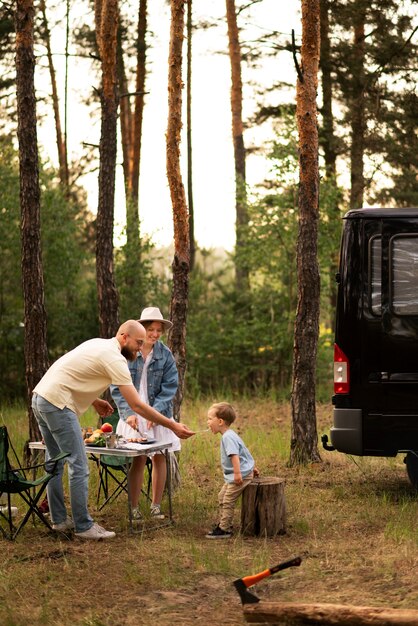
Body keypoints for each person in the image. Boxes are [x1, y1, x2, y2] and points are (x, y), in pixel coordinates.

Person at [31, 320, 194, 540]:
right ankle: (83, 526)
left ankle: (59, 521)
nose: (139, 347)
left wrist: (94, 400)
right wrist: (172, 424)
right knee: (78, 465)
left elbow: (70, 374)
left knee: (55, 463)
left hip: (41, 398)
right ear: (124, 336)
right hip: (59, 405)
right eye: (138, 342)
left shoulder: (97, 343)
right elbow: (136, 406)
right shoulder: (116, 359)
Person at [111, 307, 180, 520]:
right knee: (139, 460)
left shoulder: (164, 354)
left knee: (160, 457)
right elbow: (116, 386)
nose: (155, 334)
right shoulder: (128, 350)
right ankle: (133, 508)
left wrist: (155, 413)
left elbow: (170, 386)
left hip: (157, 412)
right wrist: (128, 412)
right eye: (151, 329)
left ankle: (156, 506)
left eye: (159, 330)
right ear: (142, 329)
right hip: (133, 413)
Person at [205, 402, 259, 539]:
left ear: (220, 421)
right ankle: (224, 522)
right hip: (240, 472)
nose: (208, 422)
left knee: (228, 499)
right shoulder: (229, 435)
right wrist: (252, 468)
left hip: (240, 475)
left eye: (210, 419)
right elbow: (244, 453)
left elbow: (235, 456)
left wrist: (238, 473)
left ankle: (225, 529)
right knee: (221, 496)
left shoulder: (228, 437)